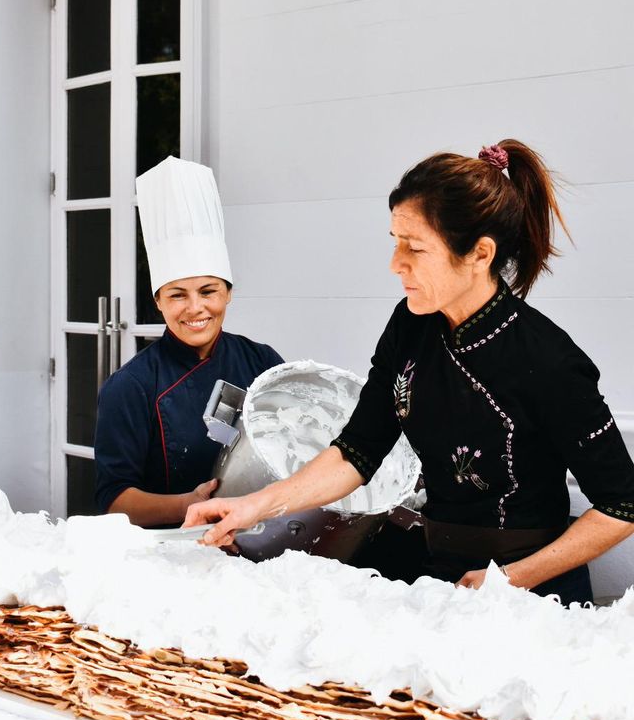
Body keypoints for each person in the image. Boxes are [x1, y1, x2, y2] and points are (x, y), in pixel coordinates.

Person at [185, 141, 634, 604]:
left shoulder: (550, 360)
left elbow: (622, 504)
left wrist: (509, 581)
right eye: (395, 242)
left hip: (535, 599)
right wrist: (251, 507)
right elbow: (356, 453)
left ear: (480, 254)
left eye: (414, 248)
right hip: (440, 579)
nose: (395, 263)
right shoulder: (411, 324)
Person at [95, 156, 282, 526]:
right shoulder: (130, 386)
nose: (195, 308)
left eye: (208, 291)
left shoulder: (262, 362)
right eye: (177, 295)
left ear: (229, 293)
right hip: (174, 551)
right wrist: (188, 505)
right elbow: (113, 499)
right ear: (158, 302)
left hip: (262, 539)